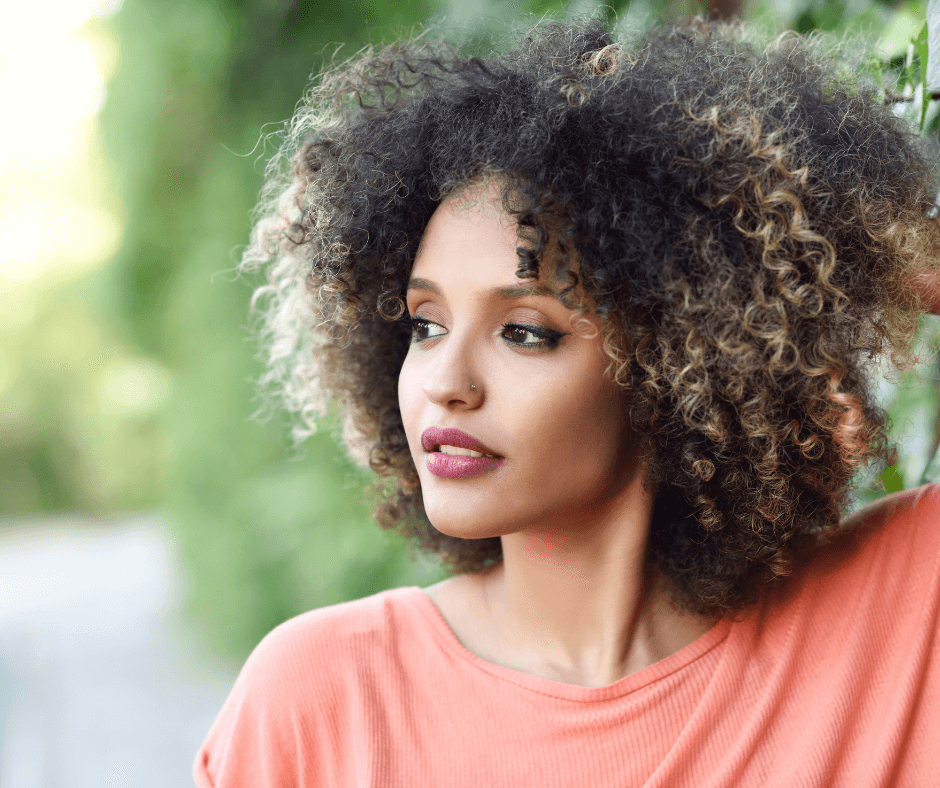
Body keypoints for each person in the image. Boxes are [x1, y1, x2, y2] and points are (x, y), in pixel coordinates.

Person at [194, 14, 940, 787]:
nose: (446, 381)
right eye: (425, 324)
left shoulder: (896, 620)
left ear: (673, 362)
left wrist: (844, 260)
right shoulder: (320, 700)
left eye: (523, 332)